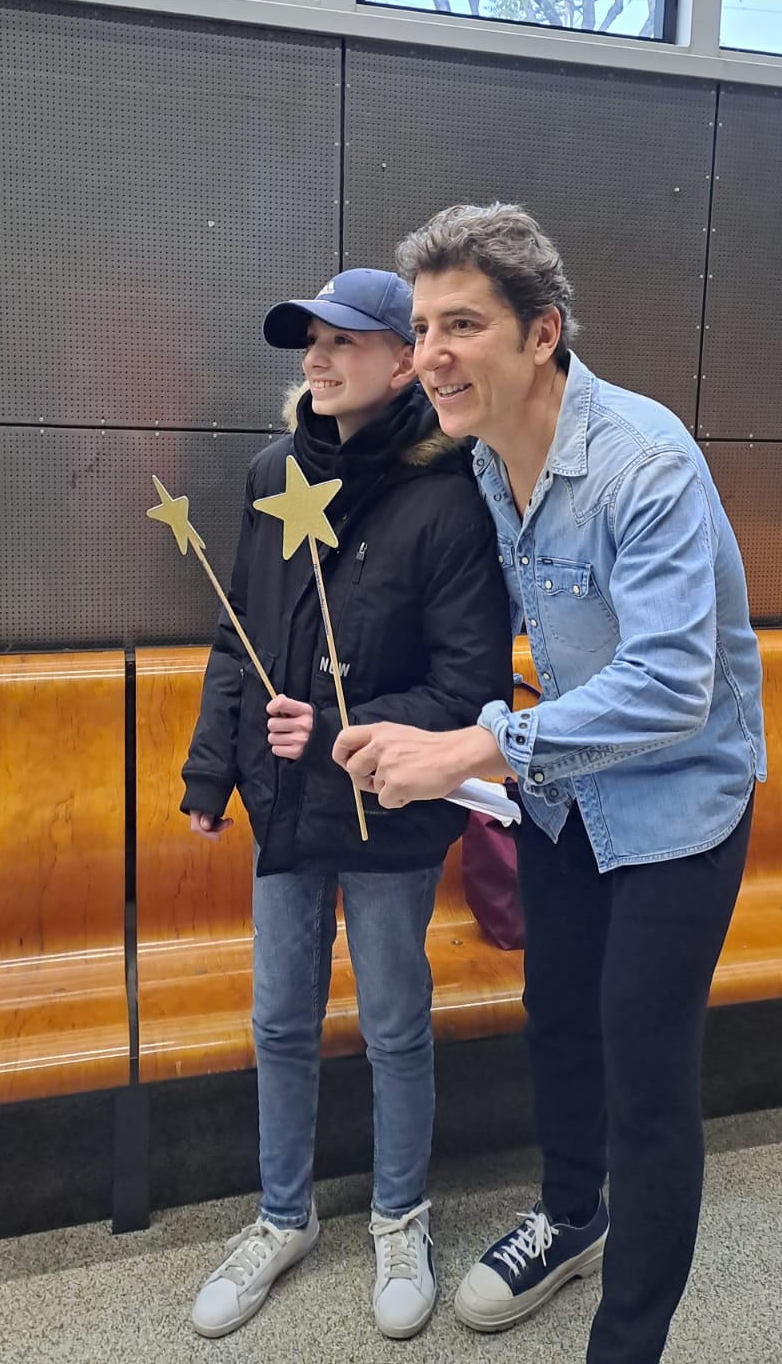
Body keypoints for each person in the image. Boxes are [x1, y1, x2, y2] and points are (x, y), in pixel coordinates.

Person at [333, 206, 766, 1364]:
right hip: (568, 791)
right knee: (559, 1020)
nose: (432, 353)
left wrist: (470, 749)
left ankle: (625, 1343)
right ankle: (573, 1217)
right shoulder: (484, 452)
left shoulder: (644, 463)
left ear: (542, 335)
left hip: (679, 803)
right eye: (423, 326)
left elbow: (671, 685)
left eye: (462, 324)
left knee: (644, 1070)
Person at [181, 267, 511, 1343]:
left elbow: (469, 690)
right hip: (283, 803)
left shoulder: (454, 491)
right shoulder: (274, 472)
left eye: (343, 341)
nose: (316, 360)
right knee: (279, 1017)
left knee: (393, 1023)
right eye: (308, 342)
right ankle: (283, 1217)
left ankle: (399, 1216)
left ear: (403, 360)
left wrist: (334, 727)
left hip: (390, 808)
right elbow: (238, 631)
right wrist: (210, 770)